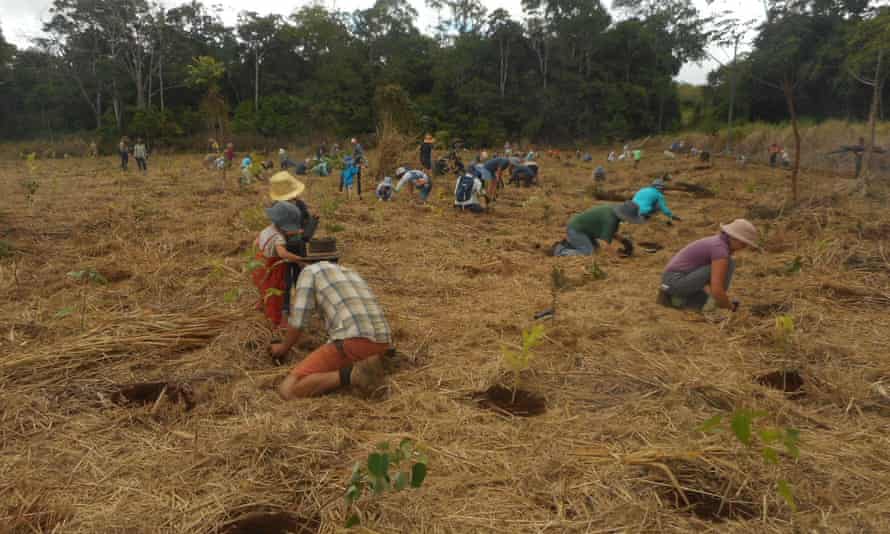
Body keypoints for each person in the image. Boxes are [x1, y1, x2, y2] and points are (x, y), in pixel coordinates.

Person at [270, 261, 392, 399]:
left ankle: (353, 376)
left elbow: (298, 321)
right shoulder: (350, 272)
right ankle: (364, 367)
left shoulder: (310, 271)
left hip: (353, 340)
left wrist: (282, 348)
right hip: (382, 343)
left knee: (288, 388)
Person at [657, 219, 759, 312]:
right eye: (743, 244)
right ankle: (679, 298)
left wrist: (723, 302)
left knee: (703, 301)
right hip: (675, 282)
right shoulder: (720, 249)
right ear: (734, 238)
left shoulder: (717, 242)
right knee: (729, 264)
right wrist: (730, 308)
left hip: (669, 282)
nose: (744, 248)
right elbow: (717, 288)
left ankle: (676, 299)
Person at [252, 177, 310, 327]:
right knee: (275, 294)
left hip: (261, 262)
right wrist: (298, 260)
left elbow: (256, 241)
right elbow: (283, 254)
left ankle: (260, 307)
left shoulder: (268, 229)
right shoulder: (279, 238)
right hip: (274, 266)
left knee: (263, 287)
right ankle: (276, 323)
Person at [553, 202, 643, 257]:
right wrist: (617, 256)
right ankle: (560, 251)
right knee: (588, 252)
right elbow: (606, 245)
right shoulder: (610, 220)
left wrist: (624, 241)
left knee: (597, 250)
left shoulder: (613, 214)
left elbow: (612, 233)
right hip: (576, 230)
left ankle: (570, 245)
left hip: (585, 231)